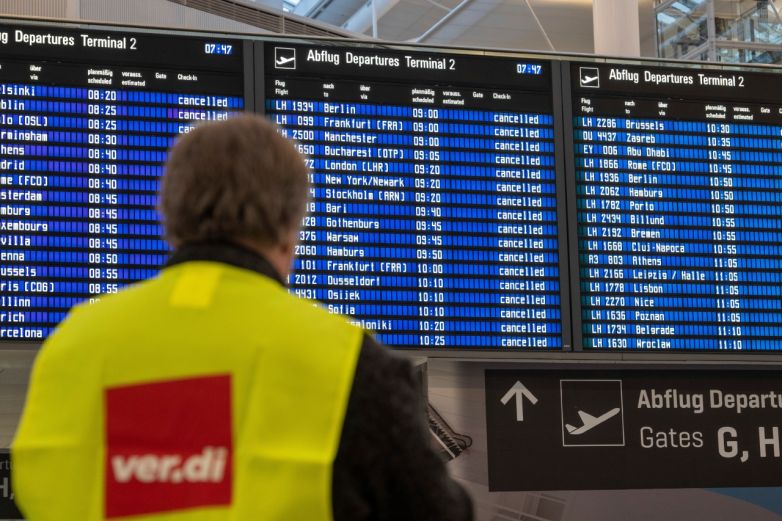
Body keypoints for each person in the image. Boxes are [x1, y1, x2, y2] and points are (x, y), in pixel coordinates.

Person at [12, 114, 473, 521]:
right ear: (290, 227)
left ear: (170, 217)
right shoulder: (351, 363)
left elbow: (35, 488)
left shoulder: (73, 345)